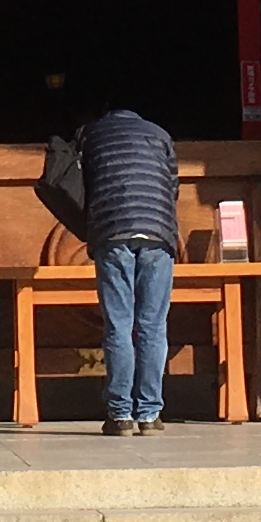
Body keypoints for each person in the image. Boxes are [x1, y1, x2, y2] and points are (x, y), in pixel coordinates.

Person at [76, 102, 179, 438]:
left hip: (112, 232)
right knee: (153, 324)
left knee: (119, 324)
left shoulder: (91, 136)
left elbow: (79, 185)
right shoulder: (160, 135)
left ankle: (120, 415)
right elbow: (172, 187)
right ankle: (149, 414)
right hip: (158, 232)